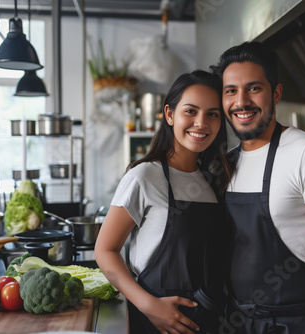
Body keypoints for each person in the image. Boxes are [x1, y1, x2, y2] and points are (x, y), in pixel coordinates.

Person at [211, 41, 305, 333]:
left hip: (295, 324)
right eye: (231, 91)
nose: (241, 102)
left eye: (254, 88)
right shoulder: (226, 164)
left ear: (275, 93)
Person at [94, 70, 233, 334]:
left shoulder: (215, 180)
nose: (201, 123)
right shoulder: (144, 176)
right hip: (154, 323)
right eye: (190, 111)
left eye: (212, 114)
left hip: (209, 321)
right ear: (169, 114)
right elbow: (105, 250)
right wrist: (149, 305)